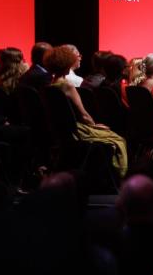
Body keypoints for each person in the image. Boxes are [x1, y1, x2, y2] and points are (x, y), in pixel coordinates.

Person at [46, 45, 128, 179]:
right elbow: (84, 114)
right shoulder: (67, 86)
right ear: (67, 62)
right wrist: (94, 126)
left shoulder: (50, 85)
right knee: (118, 139)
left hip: (61, 131)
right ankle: (119, 177)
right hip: (76, 130)